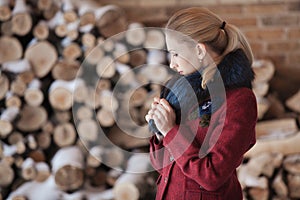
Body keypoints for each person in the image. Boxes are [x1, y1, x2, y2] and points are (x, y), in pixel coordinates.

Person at [145, 7, 257, 200]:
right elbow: (162, 166)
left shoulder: (239, 101)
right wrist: (160, 130)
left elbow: (212, 176)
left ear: (199, 50)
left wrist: (171, 131)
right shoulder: (182, 93)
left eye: (176, 54)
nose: (172, 64)